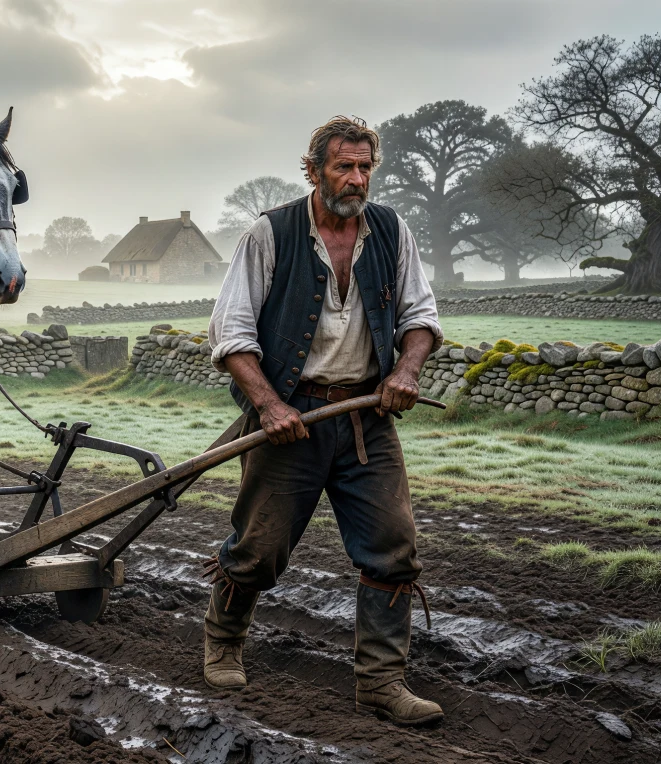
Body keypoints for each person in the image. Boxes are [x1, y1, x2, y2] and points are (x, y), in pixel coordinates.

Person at [203, 115, 444, 726]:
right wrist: (270, 404)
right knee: (258, 549)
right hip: (292, 415)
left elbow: (420, 314)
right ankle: (224, 640)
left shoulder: (391, 231)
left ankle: (382, 683)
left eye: (365, 166)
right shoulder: (271, 233)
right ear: (312, 171)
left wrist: (407, 371)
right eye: (344, 166)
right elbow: (231, 331)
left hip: (368, 413)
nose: (357, 178)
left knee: (393, 548)